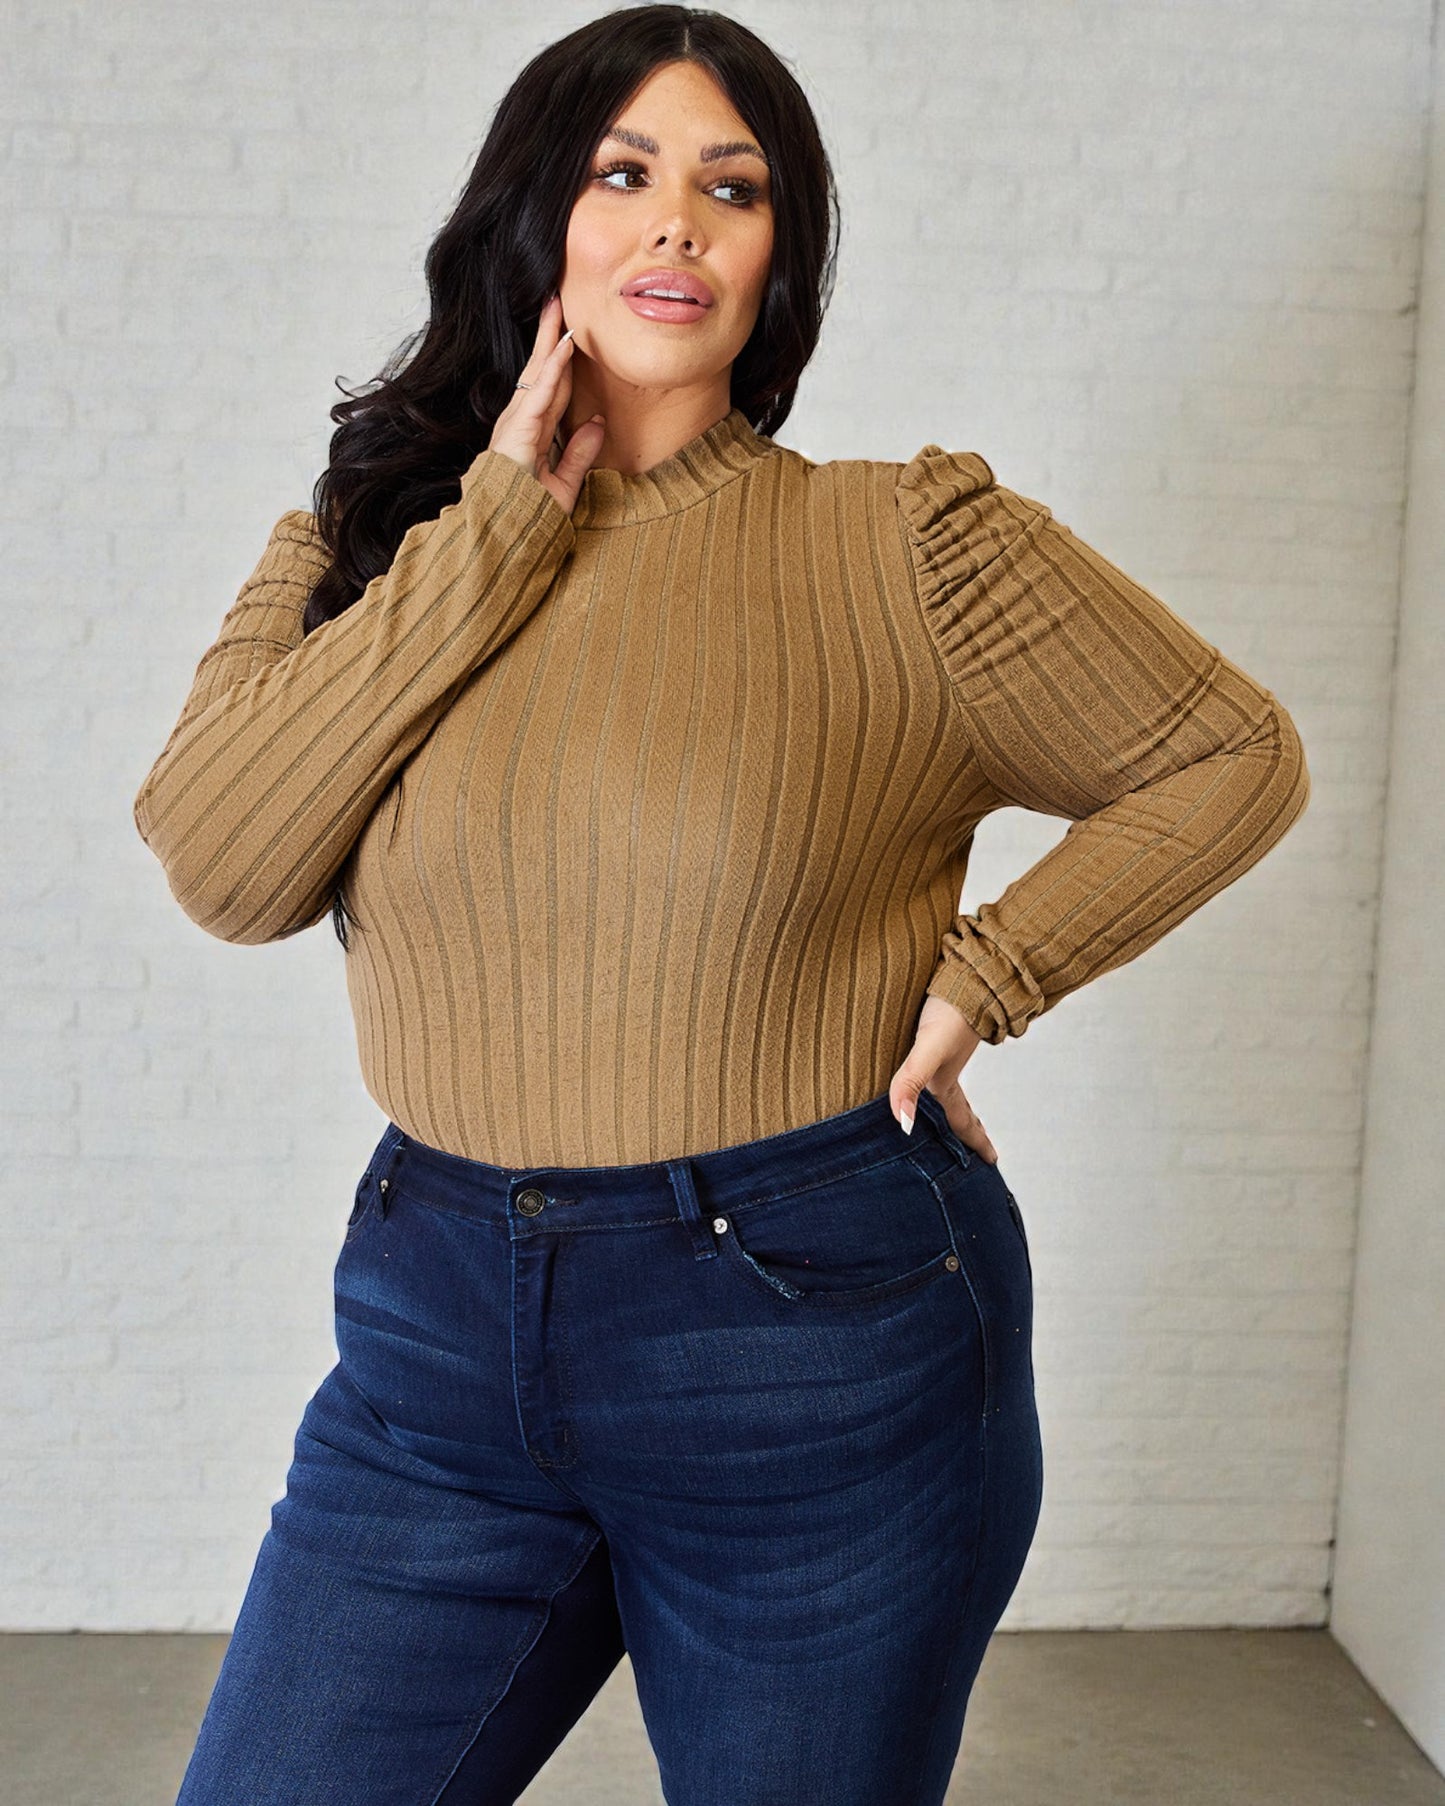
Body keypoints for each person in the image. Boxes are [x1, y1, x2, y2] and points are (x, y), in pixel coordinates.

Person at [133, 8, 1311, 1804]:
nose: (676, 224)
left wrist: (995, 970)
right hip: (437, 1341)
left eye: (731, 188)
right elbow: (223, 865)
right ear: (541, 221)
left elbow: (1228, 751)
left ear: (781, 253)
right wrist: (498, 536)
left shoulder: (901, 548)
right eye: (624, 173)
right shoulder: (361, 540)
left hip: (809, 1333)